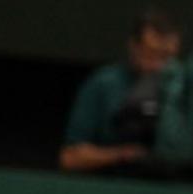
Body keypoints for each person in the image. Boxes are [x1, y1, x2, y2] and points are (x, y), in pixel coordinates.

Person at [59, 7, 181, 174]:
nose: (158, 65)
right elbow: (70, 158)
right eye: (151, 53)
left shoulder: (183, 89)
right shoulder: (104, 83)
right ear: (134, 46)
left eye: (166, 56)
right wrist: (123, 154)